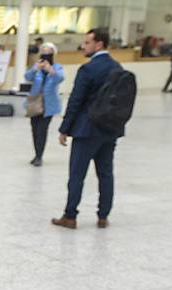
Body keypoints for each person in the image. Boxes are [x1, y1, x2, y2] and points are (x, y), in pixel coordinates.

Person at [53, 28, 124, 230]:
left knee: (77, 174)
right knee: (106, 173)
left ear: (98, 44)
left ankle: (70, 215)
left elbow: (76, 101)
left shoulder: (88, 69)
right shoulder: (117, 67)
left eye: (87, 42)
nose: (83, 46)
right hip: (109, 130)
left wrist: (64, 128)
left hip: (87, 130)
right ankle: (103, 216)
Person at [24, 43, 65, 166]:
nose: (45, 55)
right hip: (35, 103)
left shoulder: (57, 67)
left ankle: (39, 156)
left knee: (42, 130)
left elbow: (60, 78)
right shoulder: (37, 68)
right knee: (35, 129)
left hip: (48, 104)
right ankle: (37, 153)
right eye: (43, 52)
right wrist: (35, 68)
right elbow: (27, 76)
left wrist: (51, 70)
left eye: (48, 52)